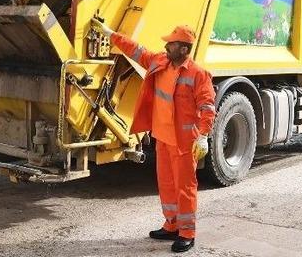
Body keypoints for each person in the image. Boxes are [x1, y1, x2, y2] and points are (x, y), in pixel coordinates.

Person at [91, 19, 216, 253]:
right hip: (162, 138)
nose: (166, 46)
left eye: (171, 44)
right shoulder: (160, 61)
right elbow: (137, 51)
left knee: (184, 188)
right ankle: (171, 225)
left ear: (184, 49)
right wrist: (111, 34)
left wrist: (204, 136)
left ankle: (187, 233)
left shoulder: (199, 75)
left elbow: (208, 107)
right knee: (167, 185)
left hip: (183, 142)